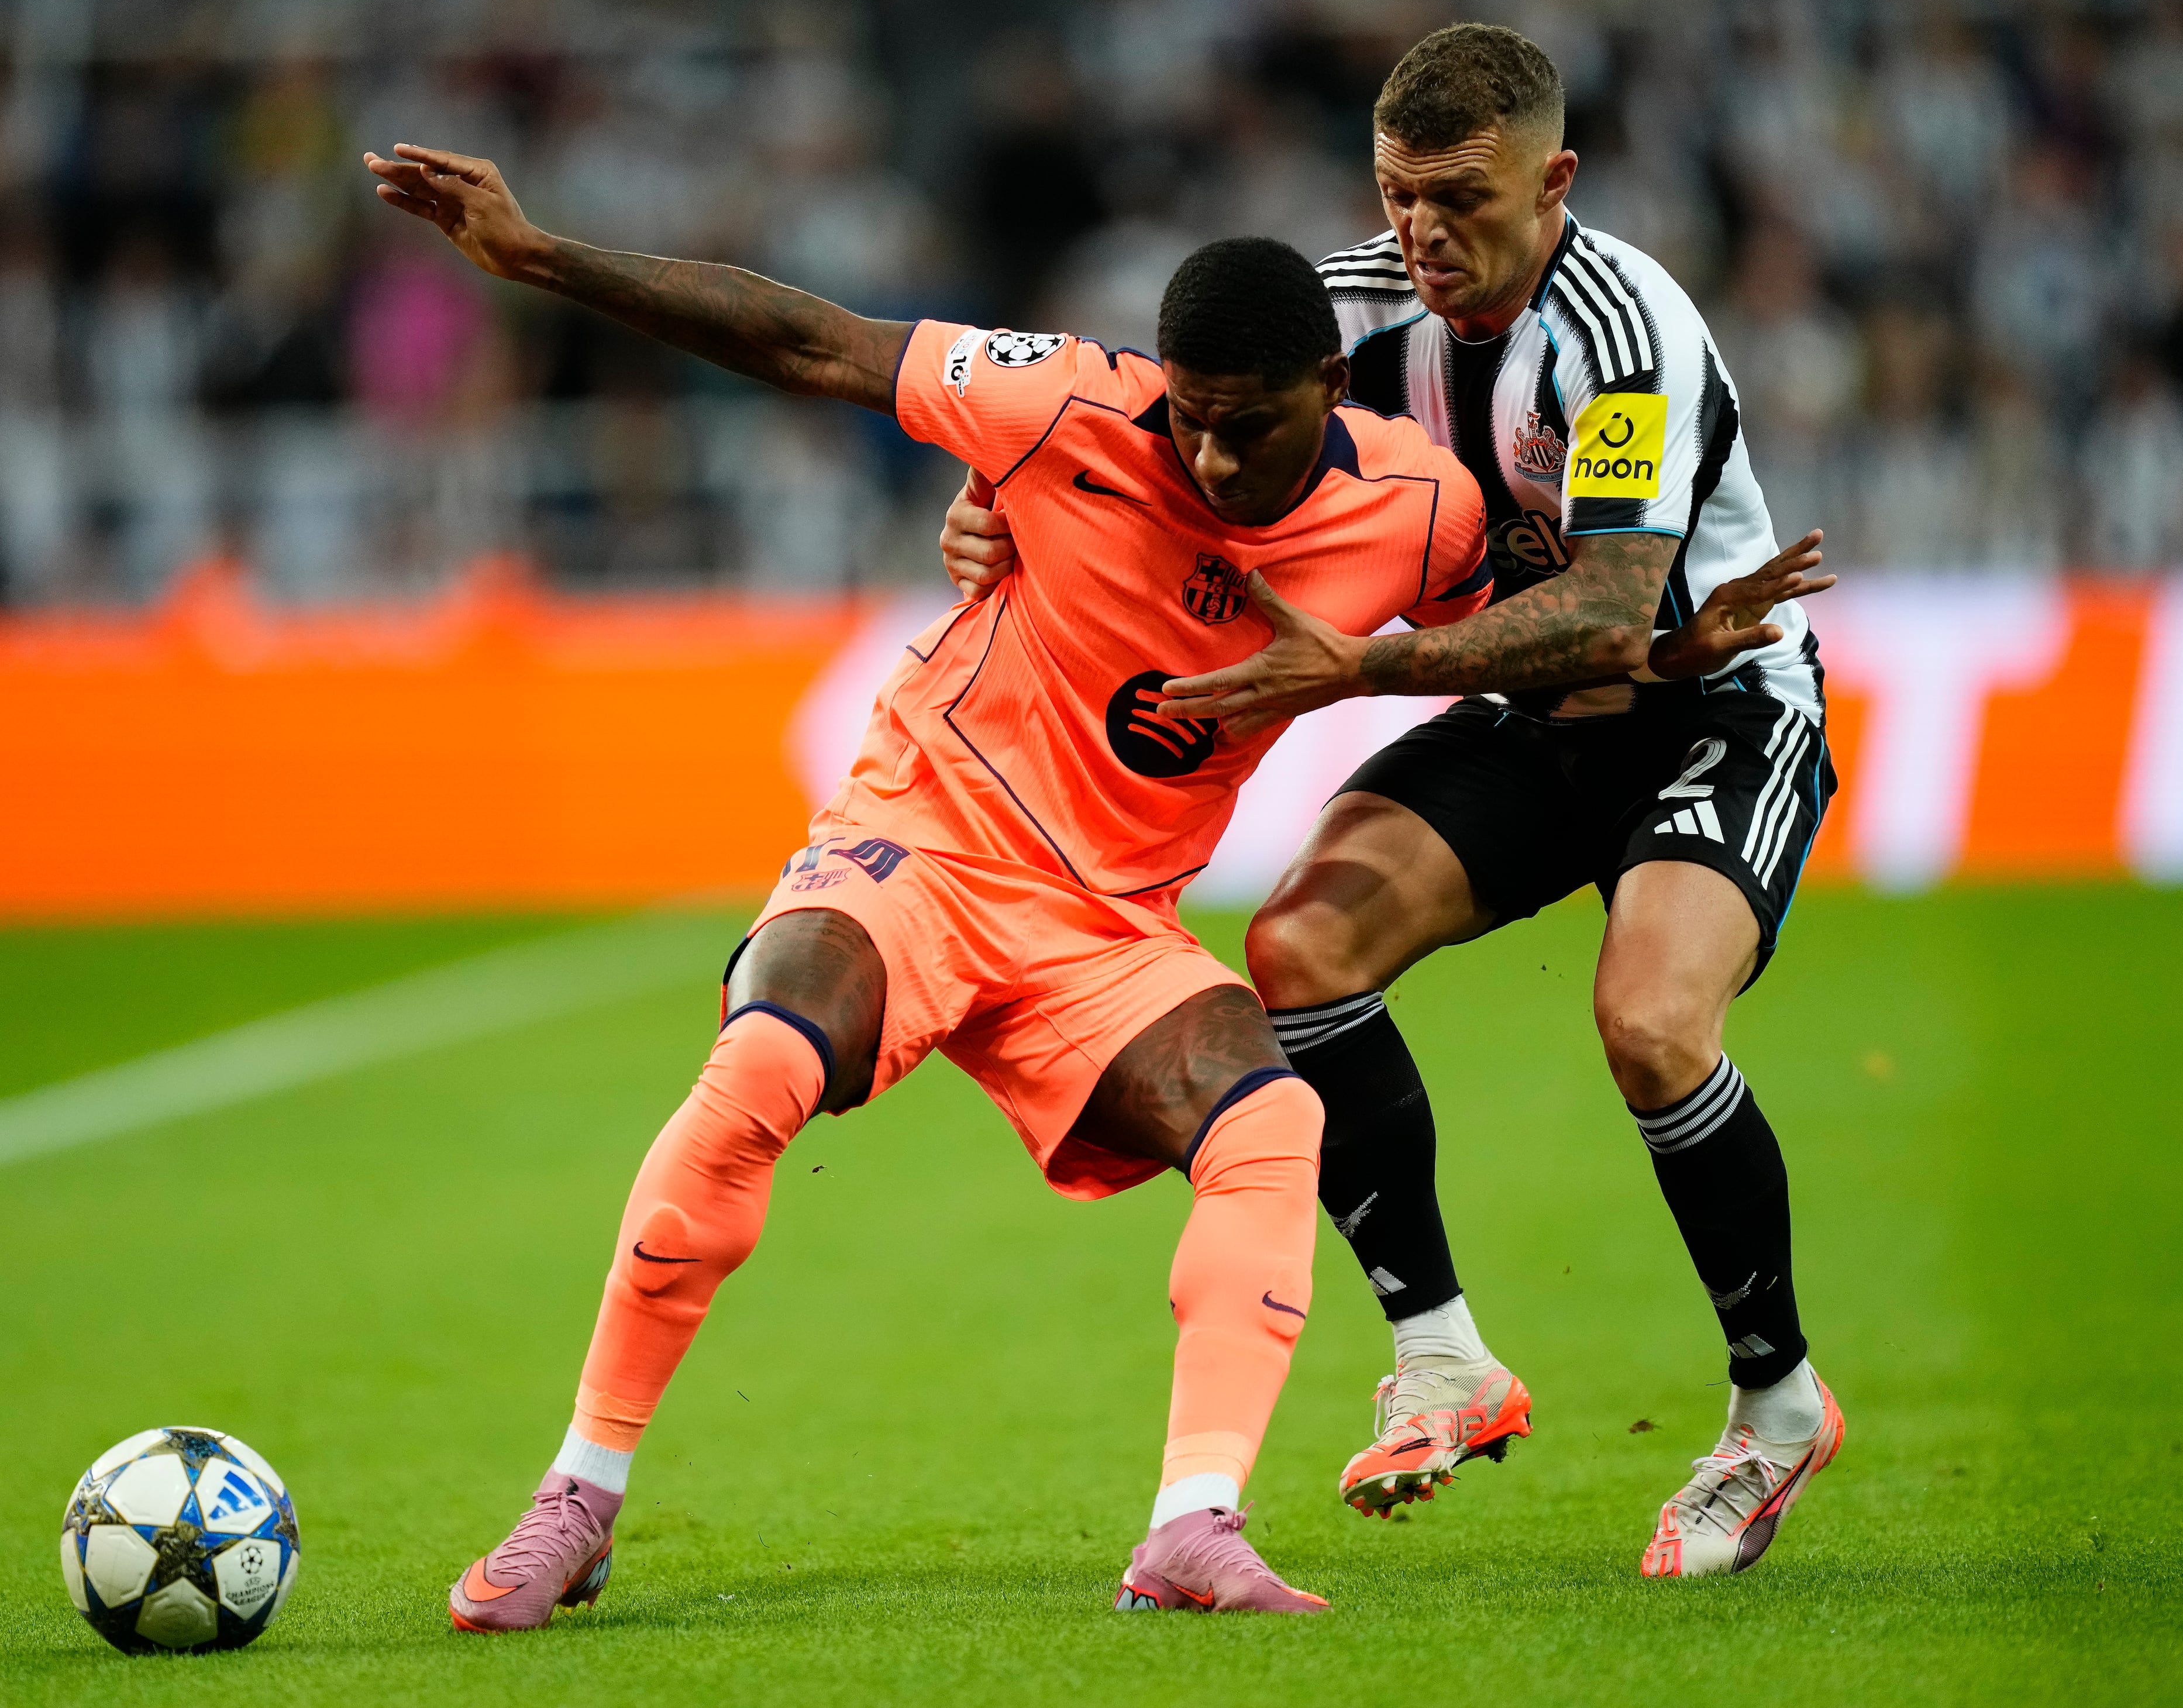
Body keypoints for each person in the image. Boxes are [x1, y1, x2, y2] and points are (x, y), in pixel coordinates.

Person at [365, 136, 1781, 1625]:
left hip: (1108, 925)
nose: (1214, 460)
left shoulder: (1417, 509)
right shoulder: (1062, 405)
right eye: (1193, 425)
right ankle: (576, 1497)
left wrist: (1669, 643)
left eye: (1250, 430)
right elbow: (811, 336)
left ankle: (1191, 1527)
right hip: (924, 837)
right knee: (764, 1058)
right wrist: (545, 257)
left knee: (1273, 1117)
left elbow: (1538, 619)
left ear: (1329, 392)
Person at [939, 23, 1847, 1579]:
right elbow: (1146, 446)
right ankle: (1443, 1357)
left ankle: (1776, 1402)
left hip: (1714, 705)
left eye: (1463, 198)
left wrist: (1364, 662)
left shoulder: (1628, 332)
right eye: (1400, 193)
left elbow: (1616, 611)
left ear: (1556, 181)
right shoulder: (1348, 306)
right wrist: (995, 513)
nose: (1425, 231)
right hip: (1527, 716)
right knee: (1296, 950)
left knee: (1648, 1021)